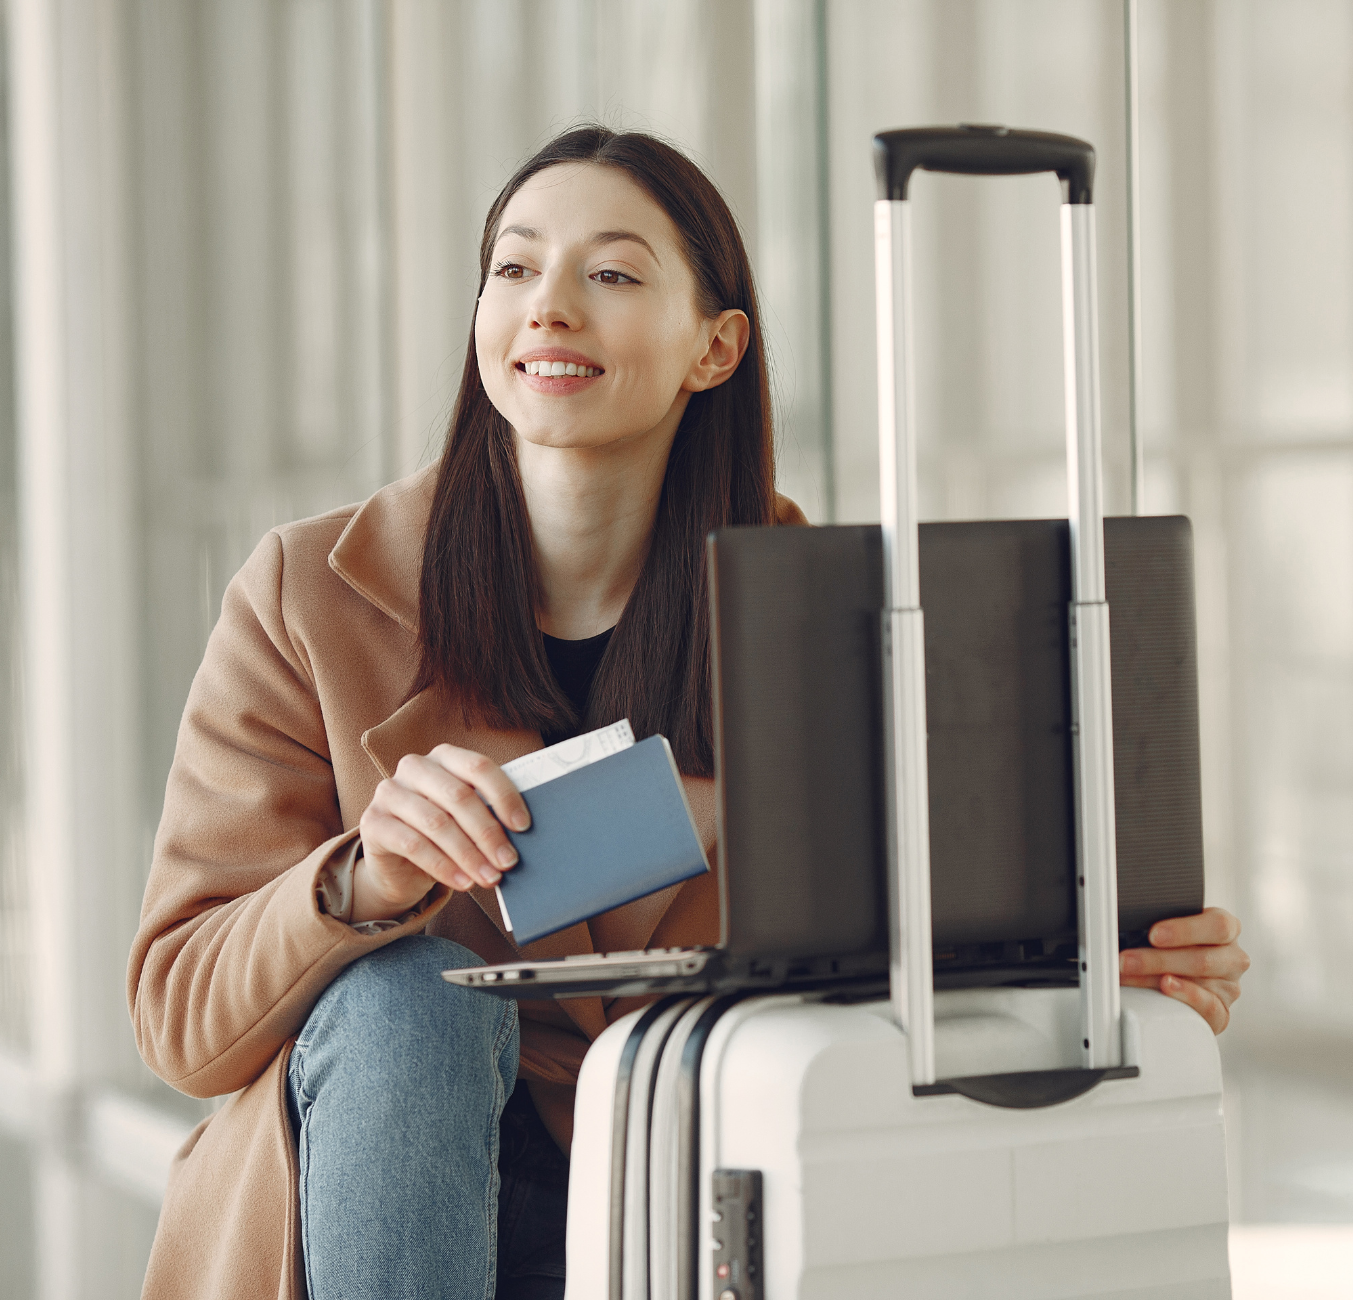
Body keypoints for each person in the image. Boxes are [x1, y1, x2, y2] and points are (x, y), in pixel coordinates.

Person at [127, 125, 1250, 1300]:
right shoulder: (311, 595)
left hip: (670, 1195)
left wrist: (1100, 967)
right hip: (386, 1204)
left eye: (609, 274)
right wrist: (357, 884)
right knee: (410, 1003)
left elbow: (900, 942)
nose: (547, 306)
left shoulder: (823, 611)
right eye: (513, 269)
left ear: (713, 349)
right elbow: (180, 1021)